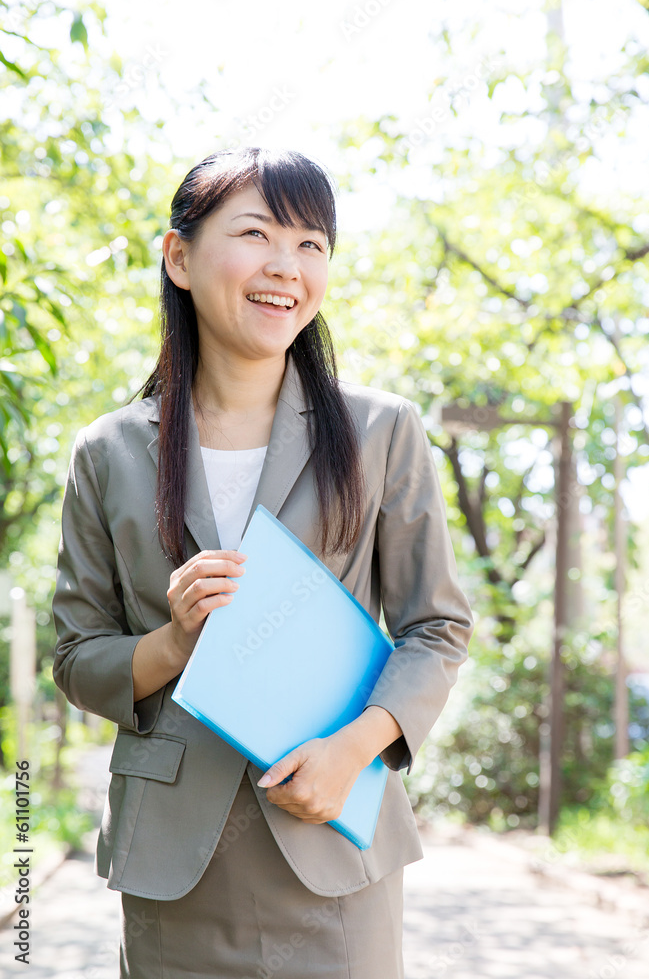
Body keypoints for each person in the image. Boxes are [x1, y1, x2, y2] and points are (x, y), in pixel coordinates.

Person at [52, 146, 474, 979]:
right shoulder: (107, 452)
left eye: (311, 243)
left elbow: (436, 625)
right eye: (257, 234)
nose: (287, 266)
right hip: (174, 868)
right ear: (178, 256)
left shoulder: (381, 431)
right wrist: (171, 645)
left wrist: (355, 749)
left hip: (333, 844)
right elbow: (75, 658)